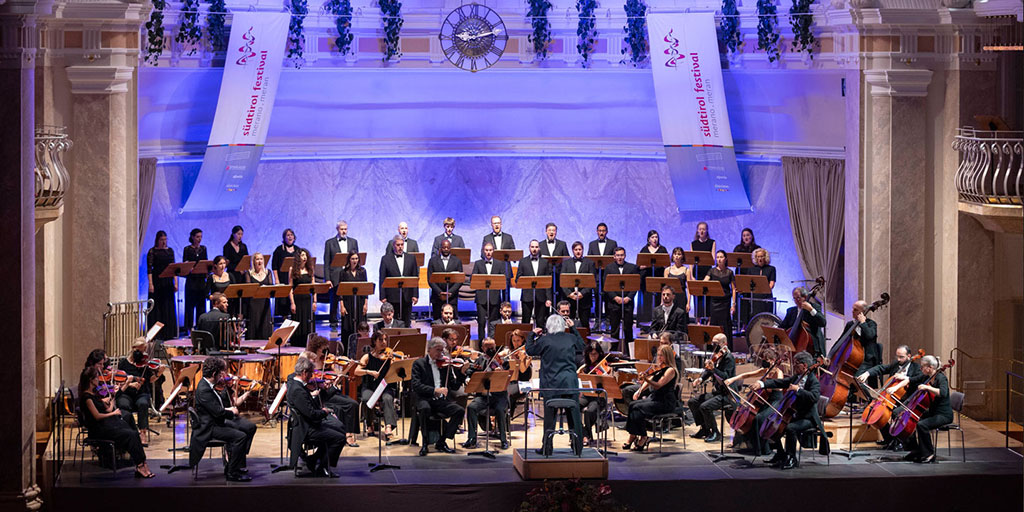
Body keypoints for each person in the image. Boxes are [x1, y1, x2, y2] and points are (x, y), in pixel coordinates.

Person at [750, 351, 828, 470]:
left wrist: (798, 390)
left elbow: (814, 397)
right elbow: (780, 382)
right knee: (775, 425)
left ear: (804, 365)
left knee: (790, 428)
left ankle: (792, 458)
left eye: (796, 363)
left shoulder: (813, 381)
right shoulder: (797, 378)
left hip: (808, 418)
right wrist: (762, 384)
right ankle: (781, 454)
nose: (794, 366)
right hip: (796, 415)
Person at [78, 367, 154, 478]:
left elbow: (107, 409)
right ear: (91, 380)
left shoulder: (94, 394)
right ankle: (140, 465)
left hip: (106, 425)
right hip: (98, 430)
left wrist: (112, 399)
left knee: (133, 432)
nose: (99, 379)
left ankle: (142, 463)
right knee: (130, 434)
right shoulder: (87, 398)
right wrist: (113, 413)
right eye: (96, 377)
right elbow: (97, 416)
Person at [526, 314, 586, 456]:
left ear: (548, 326)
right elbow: (582, 346)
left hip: (551, 385)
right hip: (570, 384)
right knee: (574, 417)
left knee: (549, 419)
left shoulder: (544, 340)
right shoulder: (571, 338)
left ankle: (547, 448)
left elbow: (530, 350)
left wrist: (532, 335)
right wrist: (573, 328)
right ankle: (578, 448)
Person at [189, 357, 256, 482]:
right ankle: (231, 473)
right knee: (240, 437)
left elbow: (216, 408)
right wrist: (232, 412)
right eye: (220, 374)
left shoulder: (207, 384)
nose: (222, 376)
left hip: (214, 422)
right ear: (214, 374)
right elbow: (218, 412)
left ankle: (235, 464)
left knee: (246, 429)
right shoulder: (204, 389)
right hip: (209, 428)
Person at [288, 357, 346, 477]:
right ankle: (322, 467)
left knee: (339, 431)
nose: (312, 376)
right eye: (311, 373)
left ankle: (313, 459)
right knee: (339, 438)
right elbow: (312, 414)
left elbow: (311, 406)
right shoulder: (298, 390)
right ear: (304, 372)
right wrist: (325, 412)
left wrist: (326, 390)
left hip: (308, 424)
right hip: (306, 429)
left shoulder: (297, 385)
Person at [857, 345, 921, 450]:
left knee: (896, 413)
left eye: (901, 357)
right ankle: (889, 440)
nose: (898, 359)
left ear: (909, 356)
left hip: (908, 399)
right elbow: (881, 368)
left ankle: (901, 441)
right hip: (892, 398)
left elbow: (919, 380)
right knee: (878, 414)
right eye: (897, 356)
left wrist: (905, 378)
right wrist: (867, 373)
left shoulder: (916, 368)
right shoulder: (896, 365)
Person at [724, 346, 785, 456]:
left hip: (776, 401)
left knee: (759, 418)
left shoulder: (778, 373)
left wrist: (763, 385)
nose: (764, 362)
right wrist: (732, 379)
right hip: (767, 400)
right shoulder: (765, 370)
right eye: (763, 360)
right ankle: (755, 446)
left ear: (772, 360)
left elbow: (779, 387)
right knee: (753, 418)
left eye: (766, 360)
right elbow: (747, 374)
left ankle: (764, 449)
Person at [301, 335, 360, 447]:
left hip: (331, 391)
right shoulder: (310, 361)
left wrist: (347, 368)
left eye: (327, 348)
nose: (326, 351)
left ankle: (349, 433)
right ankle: (344, 435)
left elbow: (337, 375)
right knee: (339, 408)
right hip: (320, 394)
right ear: (317, 348)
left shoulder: (328, 361)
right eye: (323, 349)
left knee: (353, 404)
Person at [411, 338, 467, 456]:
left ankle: (442, 441)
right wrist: (434, 390)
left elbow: (454, 386)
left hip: (440, 401)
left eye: (442, 351)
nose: (440, 353)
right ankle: (425, 443)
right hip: (424, 398)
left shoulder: (445, 365)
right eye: (438, 350)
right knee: (425, 409)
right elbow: (416, 385)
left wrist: (461, 373)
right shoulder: (419, 364)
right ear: (429, 349)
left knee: (459, 411)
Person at [623, 344, 679, 451]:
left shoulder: (670, 370)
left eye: (661, 355)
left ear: (667, 356)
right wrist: (639, 391)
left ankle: (641, 436)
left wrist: (646, 379)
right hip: (654, 399)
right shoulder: (659, 368)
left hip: (664, 402)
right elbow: (650, 379)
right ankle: (634, 435)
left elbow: (658, 385)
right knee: (632, 405)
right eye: (658, 355)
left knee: (637, 408)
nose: (659, 358)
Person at [899, 355, 951, 463]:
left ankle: (929, 454)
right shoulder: (926, 377)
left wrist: (927, 387)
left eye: (923, 366)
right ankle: (916, 450)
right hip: (933, 412)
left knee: (922, 425)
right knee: (910, 421)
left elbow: (943, 392)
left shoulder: (941, 378)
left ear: (930, 367)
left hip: (943, 415)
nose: (920, 368)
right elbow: (912, 379)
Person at [687, 334, 738, 443]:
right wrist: (700, 379)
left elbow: (726, 377)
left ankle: (715, 432)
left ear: (724, 344)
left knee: (705, 407)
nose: (714, 346)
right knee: (693, 402)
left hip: (727, 394)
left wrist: (714, 369)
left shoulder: (729, 358)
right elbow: (708, 370)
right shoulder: (716, 356)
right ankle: (705, 429)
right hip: (718, 392)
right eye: (713, 343)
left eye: (716, 343)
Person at [463, 337, 511, 450]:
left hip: (499, 396)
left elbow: (508, 374)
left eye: (492, 347)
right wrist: (468, 378)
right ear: (482, 348)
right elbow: (471, 371)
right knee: (471, 407)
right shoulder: (480, 360)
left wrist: (501, 371)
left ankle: (503, 439)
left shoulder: (502, 360)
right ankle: (472, 438)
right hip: (484, 397)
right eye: (487, 347)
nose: (490, 349)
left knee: (500, 410)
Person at [355, 331, 399, 440]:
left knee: (388, 398)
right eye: (380, 340)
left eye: (385, 339)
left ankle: (388, 426)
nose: (384, 342)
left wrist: (394, 362)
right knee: (367, 399)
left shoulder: (389, 356)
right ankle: (370, 424)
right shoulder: (367, 357)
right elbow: (357, 371)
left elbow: (395, 371)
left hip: (385, 386)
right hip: (370, 386)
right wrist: (369, 372)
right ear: (374, 341)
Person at [115, 337, 160, 444]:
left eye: (144, 350)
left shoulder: (145, 364)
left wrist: (159, 373)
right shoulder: (123, 363)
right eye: (139, 350)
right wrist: (130, 384)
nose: (142, 353)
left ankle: (142, 433)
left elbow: (150, 380)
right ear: (133, 348)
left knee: (143, 403)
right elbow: (118, 381)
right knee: (123, 404)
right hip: (126, 393)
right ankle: (128, 432)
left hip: (142, 393)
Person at [324, 220, 359, 330]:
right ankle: (333, 322)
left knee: (349, 299)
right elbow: (326, 262)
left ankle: (350, 319)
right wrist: (327, 279)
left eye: (345, 229)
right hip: (335, 276)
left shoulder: (353, 242)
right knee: (334, 299)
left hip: (349, 275)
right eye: (341, 229)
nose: (344, 231)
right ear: (337, 229)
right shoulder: (329, 243)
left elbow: (357, 259)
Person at [379, 235, 419, 327]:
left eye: (402, 244)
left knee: (406, 321)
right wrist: (382, 296)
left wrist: (415, 294)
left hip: (407, 295)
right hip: (392, 295)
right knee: (394, 322)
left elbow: (415, 277)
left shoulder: (411, 258)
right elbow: (382, 278)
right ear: (393, 245)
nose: (400, 247)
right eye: (398, 245)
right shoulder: (385, 259)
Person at [605, 247, 639, 354]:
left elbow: (635, 285)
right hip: (614, 303)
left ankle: (630, 353)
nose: (620, 257)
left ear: (625, 256)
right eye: (618, 255)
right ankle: (613, 352)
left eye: (622, 255)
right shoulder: (609, 268)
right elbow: (606, 286)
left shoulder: (632, 267)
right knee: (614, 329)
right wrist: (615, 297)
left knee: (628, 329)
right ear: (614, 256)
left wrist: (628, 298)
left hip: (628, 303)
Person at [778, 287, 827, 358]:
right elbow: (782, 327)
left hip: (813, 348)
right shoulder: (791, 311)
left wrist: (811, 309)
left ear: (805, 297)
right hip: (795, 346)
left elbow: (823, 323)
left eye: (798, 298)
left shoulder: (814, 307)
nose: (796, 301)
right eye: (794, 298)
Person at [146, 230, 177, 340]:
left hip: (168, 282)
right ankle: (156, 334)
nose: (164, 242)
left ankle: (168, 333)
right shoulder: (152, 251)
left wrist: (176, 282)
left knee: (168, 306)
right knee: (157, 308)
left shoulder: (170, 251)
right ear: (157, 240)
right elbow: (149, 269)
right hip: (157, 281)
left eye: (165, 239)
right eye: (162, 240)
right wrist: (151, 284)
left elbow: (174, 268)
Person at [704, 250, 737, 350]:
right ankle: (713, 348)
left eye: (721, 257)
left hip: (725, 302)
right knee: (714, 324)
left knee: (725, 325)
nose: (719, 259)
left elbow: (733, 289)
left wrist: (733, 304)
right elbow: (705, 282)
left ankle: (726, 348)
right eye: (717, 257)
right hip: (714, 302)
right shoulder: (712, 271)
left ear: (725, 259)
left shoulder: (729, 272)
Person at [472, 242, 506, 340]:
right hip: (481, 297)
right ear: (483, 251)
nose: (488, 252)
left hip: (494, 297)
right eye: (486, 250)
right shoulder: (478, 263)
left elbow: (503, 279)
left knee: (493, 323)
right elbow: (473, 279)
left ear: (493, 251)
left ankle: (492, 343)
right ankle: (481, 344)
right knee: (481, 322)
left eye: (490, 250)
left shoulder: (499, 263)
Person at [559, 241, 597, 328]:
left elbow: (592, 281)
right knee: (568, 324)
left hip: (584, 298)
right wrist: (569, 294)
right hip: (570, 299)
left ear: (583, 250)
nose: (578, 251)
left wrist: (582, 293)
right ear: (573, 250)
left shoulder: (590, 263)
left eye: (580, 249)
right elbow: (562, 280)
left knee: (584, 324)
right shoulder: (566, 263)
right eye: (576, 250)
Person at [578, 342, 609, 447]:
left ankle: (585, 435)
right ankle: (585, 434)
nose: (593, 356)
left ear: (599, 354)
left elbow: (608, 382)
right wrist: (581, 370)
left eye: (595, 354)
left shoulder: (603, 365)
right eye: (591, 354)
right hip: (586, 395)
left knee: (590, 411)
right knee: (573, 406)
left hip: (598, 397)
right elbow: (578, 377)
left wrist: (604, 374)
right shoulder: (585, 365)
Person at [587, 223, 618, 326]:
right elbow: (589, 260)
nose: (601, 233)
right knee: (597, 297)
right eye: (600, 231)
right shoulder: (592, 244)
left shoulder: (613, 243)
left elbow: (615, 259)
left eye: (603, 231)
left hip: (608, 275)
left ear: (606, 232)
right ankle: (597, 320)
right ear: (597, 232)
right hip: (596, 275)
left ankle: (609, 320)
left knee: (609, 297)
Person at [338, 249, 369, 350]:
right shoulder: (343, 272)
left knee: (361, 325)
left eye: (356, 258)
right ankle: (348, 350)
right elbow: (340, 292)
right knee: (348, 326)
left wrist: (366, 304)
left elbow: (366, 289)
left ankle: (361, 349)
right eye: (352, 259)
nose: (355, 261)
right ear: (349, 260)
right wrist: (342, 306)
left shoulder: (362, 271)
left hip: (360, 302)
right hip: (348, 302)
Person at [846, 300, 881, 388]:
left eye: (855, 310)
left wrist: (863, 323)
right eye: (853, 309)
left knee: (857, 380)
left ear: (862, 312)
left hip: (866, 359)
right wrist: (831, 355)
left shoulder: (871, 324)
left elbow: (870, 336)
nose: (852, 311)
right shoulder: (850, 324)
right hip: (853, 358)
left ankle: (866, 396)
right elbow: (841, 340)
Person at [517, 240, 553, 325]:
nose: (534, 249)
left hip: (541, 296)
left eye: (536, 247)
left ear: (539, 248)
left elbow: (548, 282)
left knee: (540, 322)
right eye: (532, 247)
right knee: (525, 321)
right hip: (527, 296)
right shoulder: (523, 261)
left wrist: (548, 298)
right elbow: (518, 279)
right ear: (529, 248)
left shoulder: (545, 262)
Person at [427, 239, 464, 321]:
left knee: (453, 322)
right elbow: (430, 280)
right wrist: (440, 293)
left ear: (450, 248)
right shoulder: (432, 261)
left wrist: (450, 292)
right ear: (440, 248)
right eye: (444, 247)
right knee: (437, 322)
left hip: (452, 297)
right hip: (437, 297)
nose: (446, 249)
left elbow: (460, 280)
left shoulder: (457, 261)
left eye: (448, 247)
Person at [636, 230, 668, 324]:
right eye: (652, 237)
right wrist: (647, 265)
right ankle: (646, 322)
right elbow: (638, 266)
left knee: (659, 301)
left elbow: (667, 264)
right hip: (646, 280)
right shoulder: (644, 250)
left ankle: (659, 322)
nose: (655, 239)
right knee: (647, 301)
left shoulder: (662, 249)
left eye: (656, 237)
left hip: (659, 278)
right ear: (648, 239)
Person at [483, 215, 516, 302]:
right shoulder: (486, 238)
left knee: (506, 294)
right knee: (494, 295)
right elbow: (482, 254)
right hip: (493, 269)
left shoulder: (508, 237)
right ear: (491, 225)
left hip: (506, 269)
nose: (497, 225)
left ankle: (506, 310)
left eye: (498, 223)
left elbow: (514, 252)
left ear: (501, 224)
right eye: (495, 223)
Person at [289, 248, 317, 347]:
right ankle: (297, 345)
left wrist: (315, 301)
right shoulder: (292, 269)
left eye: (305, 255)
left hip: (308, 300)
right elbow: (290, 288)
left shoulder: (310, 269)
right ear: (298, 258)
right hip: (297, 300)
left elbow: (314, 287)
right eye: (302, 255)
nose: (304, 257)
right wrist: (292, 303)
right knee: (298, 322)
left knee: (308, 322)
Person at [245, 252, 275, 340]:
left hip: (265, 302)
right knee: (254, 322)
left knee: (265, 322)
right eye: (257, 259)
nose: (259, 261)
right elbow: (249, 288)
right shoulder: (249, 273)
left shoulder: (268, 272)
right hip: (253, 302)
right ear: (253, 261)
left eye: (261, 259)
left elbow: (271, 286)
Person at [183, 228, 208, 331]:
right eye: (197, 237)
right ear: (192, 237)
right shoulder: (187, 249)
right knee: (190, 305)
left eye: (201, 237)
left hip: (201, 280)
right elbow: (185, 263)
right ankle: (189, 327)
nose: (199, 239)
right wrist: (190, 268)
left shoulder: (203, 248)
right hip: (191, 280)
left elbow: (206, 263)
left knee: (201, 305)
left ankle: (200, 326)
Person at [271, 228, 299, 320]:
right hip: (283, 278)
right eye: (288, 235)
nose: (290, 237)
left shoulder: (298, 250)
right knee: (284, 302)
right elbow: (274, 266)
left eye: (291, 235)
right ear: (284, 238)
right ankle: (285, 320)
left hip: (295, 279)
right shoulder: (279, 250)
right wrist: (276, 279)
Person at [690, 222, 716, 318]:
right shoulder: (693, 244)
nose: (701, 231)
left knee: (708, 296)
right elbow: (691, 261)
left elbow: (713, 260)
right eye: (700, 229)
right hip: (697, 272)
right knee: (697, 297)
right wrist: (691, 275)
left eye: (703, 229)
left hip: (707, 272)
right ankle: (698, 320)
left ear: (707, 231)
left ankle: (708, 320)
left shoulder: (712, 242)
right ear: (697, 231)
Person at [745, 248, 776, 319]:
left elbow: (772, 283)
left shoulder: (771, 269)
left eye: (762, 256)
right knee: (755, 318)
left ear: (765, 257)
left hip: (766, 297)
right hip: (755, 298)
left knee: (767, 318)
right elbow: (748, 283)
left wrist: (765, 290)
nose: (760, 259)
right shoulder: (751, 269)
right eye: (758, 257)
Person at [664, 247, 692, 314]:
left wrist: (688, 303)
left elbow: (689, 288)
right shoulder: (667, 270)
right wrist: (663, 302)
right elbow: (665, 288)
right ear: (672, 256)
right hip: (670, 298)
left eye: (679, 254)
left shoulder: (686, 270)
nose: (677, 256)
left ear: (682, 256)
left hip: (682, 298)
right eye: (675, 254)